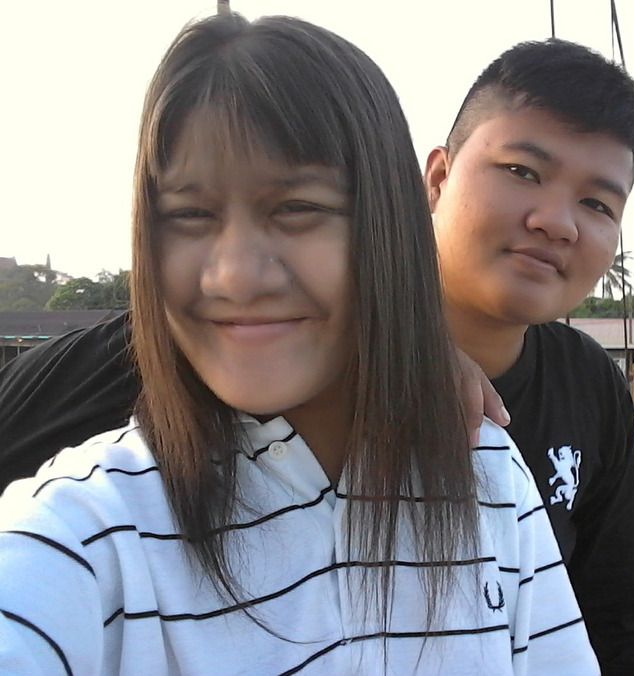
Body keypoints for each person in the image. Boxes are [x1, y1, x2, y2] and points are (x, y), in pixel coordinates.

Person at [0, 13, 598, 675]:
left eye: (297, 210)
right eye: (189, 215)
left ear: (391, 228)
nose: (233, 275)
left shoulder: (486, 471)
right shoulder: (86, 533)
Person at [424, 39, 634, 675]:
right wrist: (386, 354)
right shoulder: (300, 348)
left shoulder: (590, 382)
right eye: (523, 172)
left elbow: (616, 608)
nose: (559, 222)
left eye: (597, 204)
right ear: (438, 179)